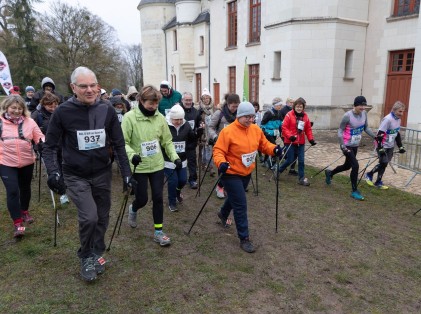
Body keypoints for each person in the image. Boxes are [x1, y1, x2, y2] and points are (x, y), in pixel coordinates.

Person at [42, 66, 133, 282]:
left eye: (93, 85)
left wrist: (127, 173)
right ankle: (85, 255)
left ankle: (95, 252)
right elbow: (49, 147)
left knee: (102, 217)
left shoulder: (107, 110)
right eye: (83, 86)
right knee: (89, 216)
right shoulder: (63, 112)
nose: (89, 90)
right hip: (75, 174)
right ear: (74, 87)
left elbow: (119, 144)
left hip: (102, 173)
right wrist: (53, 172)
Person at [213, 101, 283, 253]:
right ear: (239, 116)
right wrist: (221, 163)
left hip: (246, 172)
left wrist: (275, 149)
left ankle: (223, 213)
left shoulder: (255, 130)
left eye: (252, 117)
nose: (250, 120)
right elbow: (218, 151)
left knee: (234, 198)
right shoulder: (228, 131)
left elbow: (264, 145)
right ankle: (244, 238)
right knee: (240, 204)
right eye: (247, 117)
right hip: (230, 173)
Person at [122, 85, 181, 246]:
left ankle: (158, 232)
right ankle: (133, 209)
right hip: (139, 166)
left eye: (156, 103)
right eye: (150, 103)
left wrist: (174, 157)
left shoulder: (160, 118)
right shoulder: (129, 118)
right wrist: (132, 155)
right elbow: (123, 143)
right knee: (142, 199)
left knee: (158, 198)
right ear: (141, 100)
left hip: (156, 164)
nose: (153, 107)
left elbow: (167, 141)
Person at [0, 95, 44, 238]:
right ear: (7, 107)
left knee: (25, 188)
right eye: (13, 108)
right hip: (6, 162)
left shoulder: (30, 122)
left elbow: (39, 136)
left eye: (20, 108)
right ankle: (18, 223)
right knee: (13, 191)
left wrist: (42, 142)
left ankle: (24, 211)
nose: (17, 111)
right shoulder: (0, 123)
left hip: (27, 161)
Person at [325, 95, 376, 200]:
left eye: (364, 105)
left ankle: (330, 173)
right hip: (346, 145)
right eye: (360, 105)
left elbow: (366, 128)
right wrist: (342, 145)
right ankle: (354, 191)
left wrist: (375, 137)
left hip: (355, 144)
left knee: (347, 166)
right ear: (355, 105)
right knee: (355, 165)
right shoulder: (347, 116)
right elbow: (340, 131)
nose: (362, 108)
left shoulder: (364, 114)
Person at [32, 92, 70, 205]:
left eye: (55, 105)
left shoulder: (61, 113)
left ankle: (64, 187)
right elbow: (32, 130)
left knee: (63, 167)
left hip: (62, 146)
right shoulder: (37, 115)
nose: (53, 108)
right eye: (50, 106)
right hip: (47, 147)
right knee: (55, 168)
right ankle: (61, 192)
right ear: (44, 105)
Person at [365, 101, 406, 189]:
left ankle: (378, 181)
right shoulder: (387, 119)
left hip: (390, 146)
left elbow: (397, 134)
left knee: (385, 163)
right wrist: (380, 148)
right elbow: (379, 134)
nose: (402, 114)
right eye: (400, 111)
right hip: (382, 145)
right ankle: (369, 174)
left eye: (403, 111)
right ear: (394, 110)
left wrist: (400, 146)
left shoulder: (398, 119)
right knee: (383, 162)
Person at [277, 97, 316, 186]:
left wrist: (311, 139)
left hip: (300, 142)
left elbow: (308, 129)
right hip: (290, 141)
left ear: (303, 108)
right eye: (297, 106)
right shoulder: (289, 115)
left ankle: (301, 179)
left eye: (301, 107)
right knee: (290, 159)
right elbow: (284, 127)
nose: (299, 108)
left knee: (301, 161)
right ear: (294, 107)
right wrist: (290, 136)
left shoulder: (305, 116)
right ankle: (278, 171)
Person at [208, 93, 240, 198]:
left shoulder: (239, 114)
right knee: (223, 166)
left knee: (233, 166)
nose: (235, 109)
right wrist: (215, 137)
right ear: (228, 104)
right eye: (233, 106)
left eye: (237, 106)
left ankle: (228, 185)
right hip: (221, 144)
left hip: (234, 144)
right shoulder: (219, 113)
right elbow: (210, 127)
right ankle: (220, 187)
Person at [164, 104, 196, 211]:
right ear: (171, 118)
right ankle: (172, 202)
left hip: (182, 159)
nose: (178, 122)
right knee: (173, 181)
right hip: (169, 160)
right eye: (176, 119)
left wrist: (196, 136)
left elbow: (191, 138)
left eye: (180, 119)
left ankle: (178, 192)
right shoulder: (165, 125)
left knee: (182, 180)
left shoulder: (186, 125)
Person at [180, 92, 203, 189]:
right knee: (180, 162)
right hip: (180, 142)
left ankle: (193, 180)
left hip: (191, 142)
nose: (188, 102)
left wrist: (201, 127)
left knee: (192, 161)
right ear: (182, 100)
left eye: (190, 100)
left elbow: (199, 123)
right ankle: (180, 178)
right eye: (186, 100)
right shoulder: (178, 110)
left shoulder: (196, 112)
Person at [198, 88, 217, 177]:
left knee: (210, 148)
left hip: (211, 132)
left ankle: (211, 167)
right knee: (204, 149)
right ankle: (203, 163)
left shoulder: (214, 108)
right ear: (202, 99)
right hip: (203, 132)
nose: (206, 100)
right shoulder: (200, 109)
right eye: (204, 98)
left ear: (210, 99)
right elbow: (197, 119)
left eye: (207, 98)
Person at [260, 97, 283, 168]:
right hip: (268, 133)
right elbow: (262, 124)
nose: (280, 106)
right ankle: (273, 162)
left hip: (274, 133)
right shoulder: (269, 113)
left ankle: (265, 161)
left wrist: (281, 131)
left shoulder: (279, 113)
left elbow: (281, 123)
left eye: (281, 105)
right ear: (275, 105)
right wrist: (264, 132)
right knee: (274, 146)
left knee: (269, 147)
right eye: (279, 105)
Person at [279, 97, 298, 175]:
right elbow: (281, 123)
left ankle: (292, 168)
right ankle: (281, 158)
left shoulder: (295, 111)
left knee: (294, 152)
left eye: (293, 102)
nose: (292, 104)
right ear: (287, 102)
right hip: (285, 134)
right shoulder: (283, 110)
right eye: (291, 102)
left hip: (294, 134)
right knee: (288, 150)